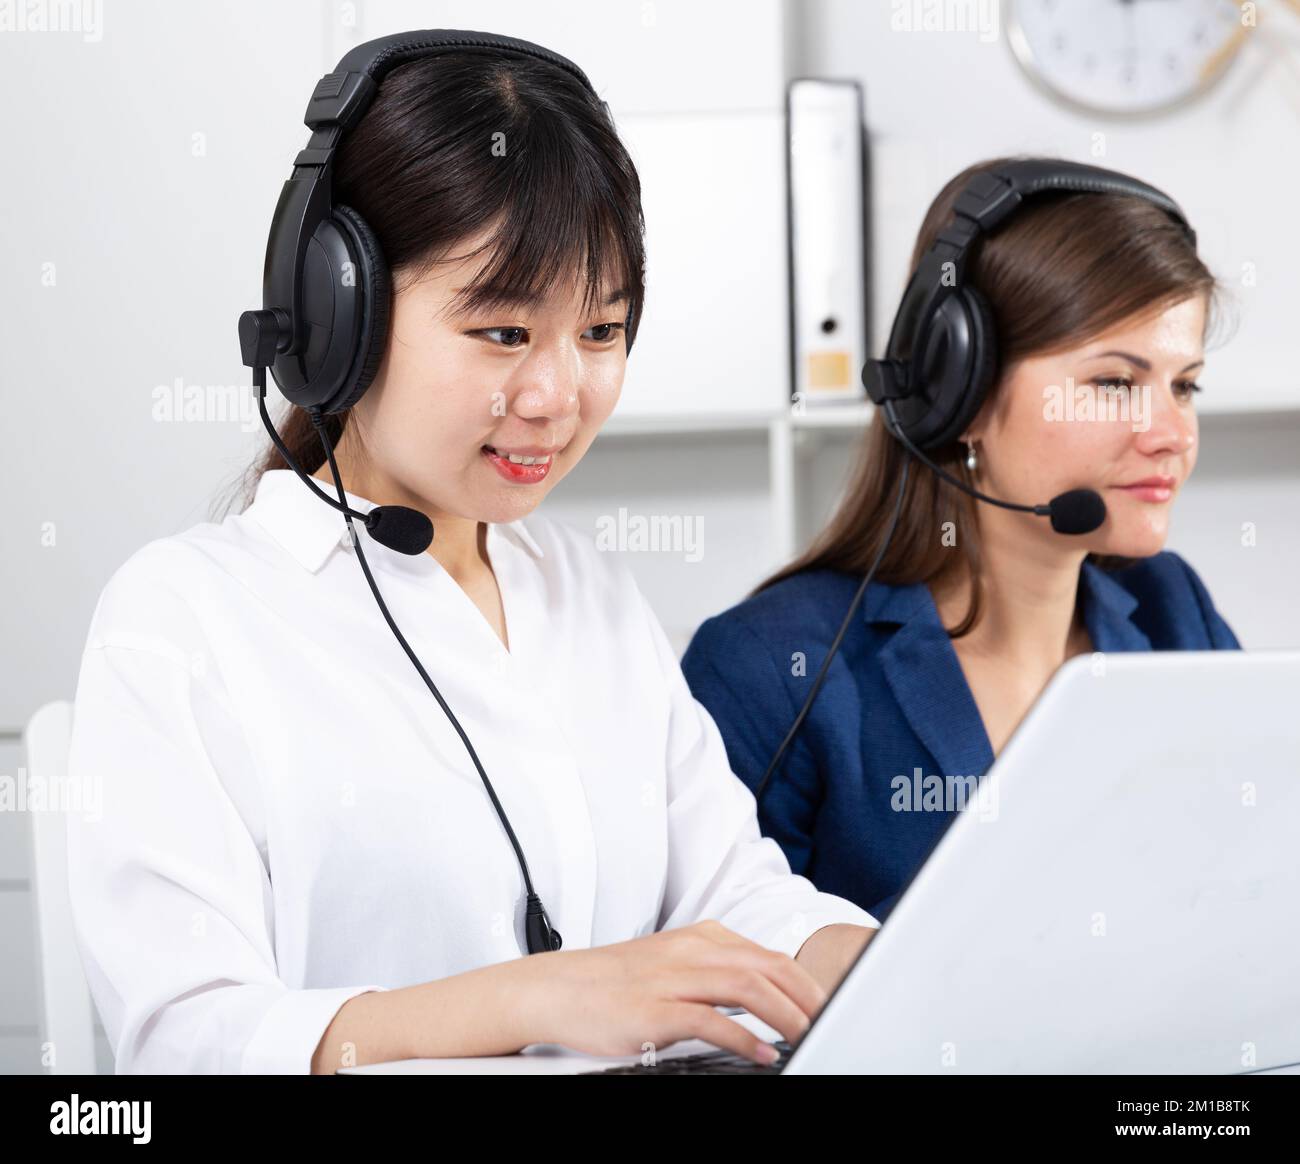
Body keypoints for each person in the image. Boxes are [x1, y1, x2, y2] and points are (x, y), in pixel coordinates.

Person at [64, 35, 876, 1076]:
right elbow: (185, 1041)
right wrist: (534, 996)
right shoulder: (185, 618)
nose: (556, 396)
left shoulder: (588, 593)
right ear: (337, 315)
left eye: (600, 331)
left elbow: (732, 895)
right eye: (500, 332)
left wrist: (897, 960)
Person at [681, 156, 1240, 924]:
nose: (1173, 435)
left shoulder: (1176, 613)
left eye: (1185, 386)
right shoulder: (773, 666)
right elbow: (710, 978)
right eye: (1115, 382)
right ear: (960, 393)